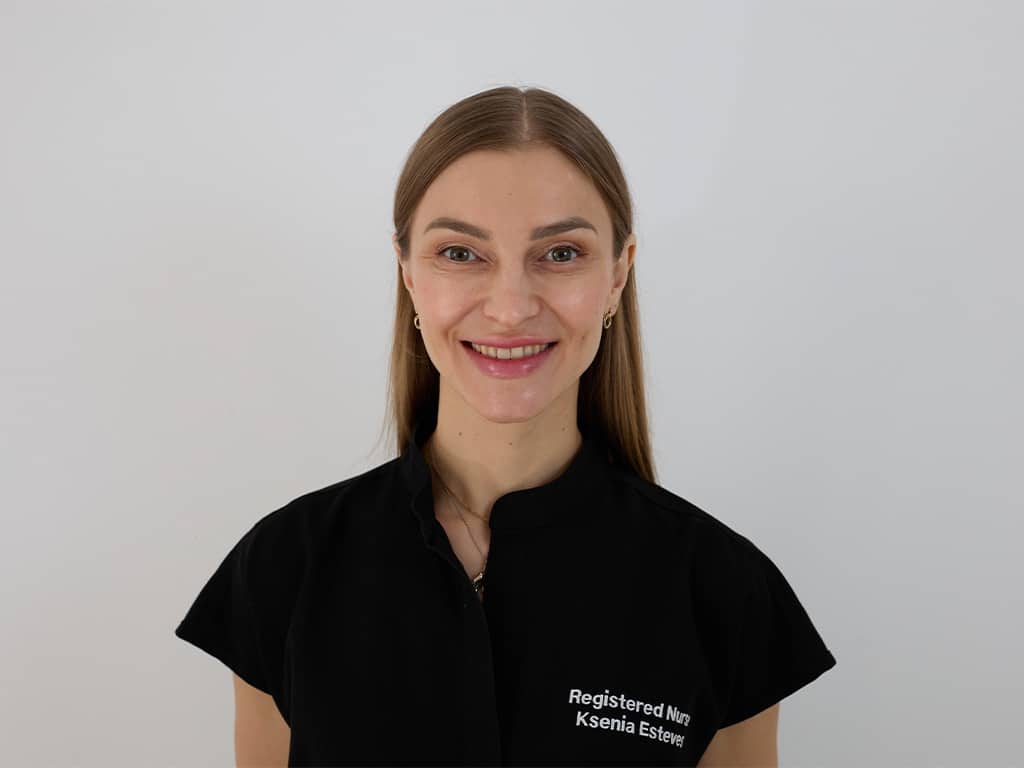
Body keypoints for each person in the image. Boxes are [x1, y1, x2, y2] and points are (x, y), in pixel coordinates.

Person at [175, 85, 837, 767]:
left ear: (618, 275)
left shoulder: (722, 590)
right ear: (408, 274)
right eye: (461, 254)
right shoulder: (286, 566)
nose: (511, 308)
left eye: (561, 253)